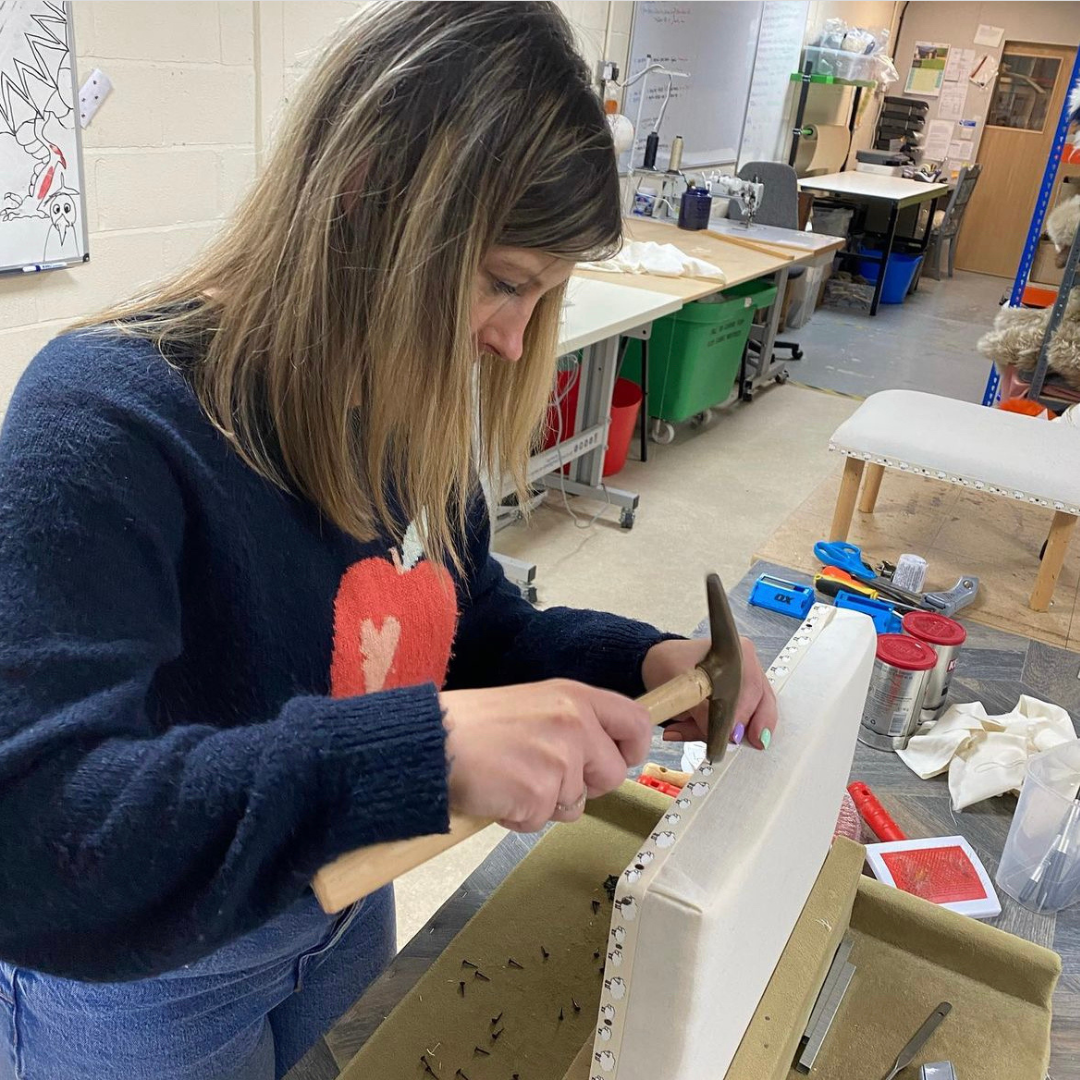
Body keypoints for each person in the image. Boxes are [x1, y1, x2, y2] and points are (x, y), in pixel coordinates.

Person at [0, 3, 775, 1078]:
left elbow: (465, 624)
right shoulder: (106, 417)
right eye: (505, 282)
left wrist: (639, 665)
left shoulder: (397, 399)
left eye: (541, 297)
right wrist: (428, 751)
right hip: (153, 979)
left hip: (345, 897)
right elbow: (34, 835)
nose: (511, 339)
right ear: (369, 197)